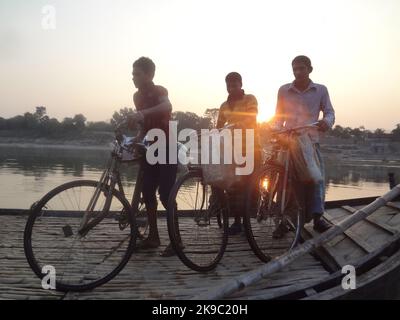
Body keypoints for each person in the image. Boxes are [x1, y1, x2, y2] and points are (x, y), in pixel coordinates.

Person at [272, 55, 335, 235]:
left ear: (309, 69)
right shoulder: (284, 90)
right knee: (285, 183)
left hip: (310, 143)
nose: (298, 72)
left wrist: (326, 122)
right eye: (295, 69)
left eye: (301, 68)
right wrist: (275, 129)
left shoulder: (320, 90)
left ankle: (317, 218)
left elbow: (329, 112)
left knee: (316, 181)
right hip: (288, 143)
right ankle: (283, 222)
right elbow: (278, 117)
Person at [128, 57, 178, 256]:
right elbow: (144, 124)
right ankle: (154, 237)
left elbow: (167, 106)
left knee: (166, 195)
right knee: (147, 193)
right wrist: (137, 137)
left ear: (150, 75)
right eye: (132, 74)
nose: (133, 78)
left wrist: (143, 113)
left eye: (137, 74)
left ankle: (177, 242)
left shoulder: (160, 91)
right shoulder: (136, 96)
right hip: (150, 147)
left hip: (167, 145)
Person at [215, 72, 260, 235]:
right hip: (231, 150)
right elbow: (219, 124)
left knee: (248, 186)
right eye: (228, 85)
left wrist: (236, 125)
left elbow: (252, 116)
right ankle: (237, 221)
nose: (231, 88)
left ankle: (247, 220)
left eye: (234, 85)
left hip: (250, 148)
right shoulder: (224, 105)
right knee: (233, 186)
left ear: (240, 84)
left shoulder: (250, 99)